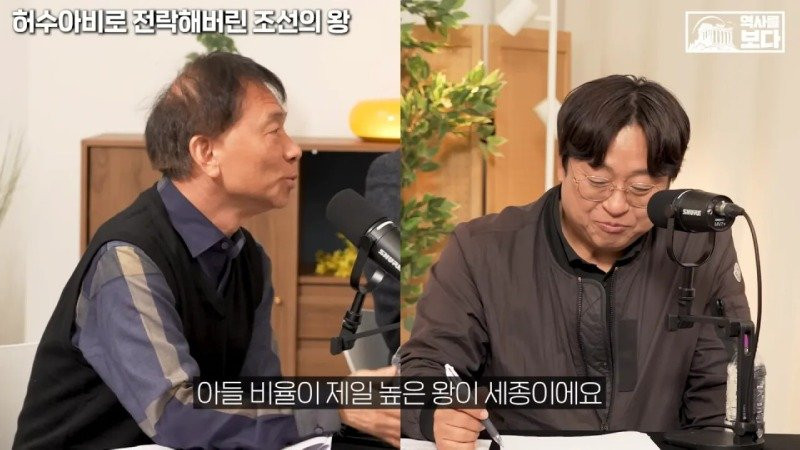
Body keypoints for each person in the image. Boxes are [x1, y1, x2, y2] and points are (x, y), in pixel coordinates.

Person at [14, 52, 399, 449]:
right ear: (206, 153)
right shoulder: (128, 257)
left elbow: (258, 394)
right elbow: (174, 412)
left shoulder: (249, 259)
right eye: (274, 131)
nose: (293, 150)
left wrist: (349, 400)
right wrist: (333, 403)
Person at [399, 75, 751, 448]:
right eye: (597, 182)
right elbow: (426, 367)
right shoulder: (481, 250)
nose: (616, 205)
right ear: (562, 164)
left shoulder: (699, 249)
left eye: (641, 189)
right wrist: (434, 414)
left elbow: (722, 393)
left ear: (668, 185)